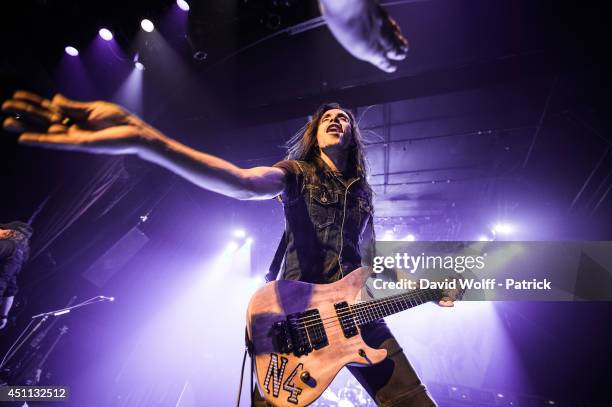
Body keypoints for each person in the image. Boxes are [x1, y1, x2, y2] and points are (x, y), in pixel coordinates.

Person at [0, 221, 33, 330]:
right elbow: (11, 290)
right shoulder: (18, 255)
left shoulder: (7, 245)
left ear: (11, 232)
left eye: (2, 229)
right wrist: (3, 316)